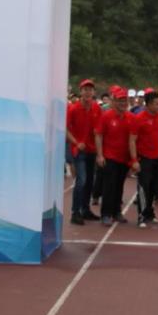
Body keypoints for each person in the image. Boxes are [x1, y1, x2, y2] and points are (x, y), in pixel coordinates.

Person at [129, 91, 158, 227]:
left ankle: (150, 214)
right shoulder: (139, 118)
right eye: (157, 104)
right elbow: (132, 140)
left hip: (157, 157)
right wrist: (134, 160)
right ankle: (142, 216)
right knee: (143, 187)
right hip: (143, 158)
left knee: (154, 187)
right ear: (149, 105)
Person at [96, 85, 134, 226]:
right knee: (109, 187)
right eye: (120, 100)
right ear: (114, 101)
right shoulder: (106, 116)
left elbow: (133, 139)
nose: (123, 103)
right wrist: (100, 155)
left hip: (124, 158)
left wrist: (133, 159)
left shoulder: (130, 117)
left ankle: (116, 211)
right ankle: (106, 214)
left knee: (119, 186)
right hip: (109, 157)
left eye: (125, 100)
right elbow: (98, 135)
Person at [67, 79, 101, 225]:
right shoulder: (73, 109)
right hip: (79, 150)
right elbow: (66, 129)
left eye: (90, 90)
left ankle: (85, 210)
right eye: (85, 89)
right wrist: (76, 142)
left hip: (92, 150)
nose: (88, 92)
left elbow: (98, 131)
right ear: (80, 91)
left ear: (94, 92)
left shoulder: (96, 108)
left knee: (90, 181)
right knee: (81, 180)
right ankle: (75, 213)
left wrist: (100, 153)